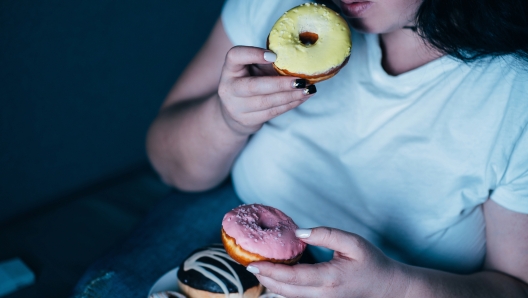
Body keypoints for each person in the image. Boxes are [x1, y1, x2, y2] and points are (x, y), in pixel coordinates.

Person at [73, 0, 528, 297]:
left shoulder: (514, 92)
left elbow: (513, 286)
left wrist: (394, 287)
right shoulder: (276, 7)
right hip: (236, 207)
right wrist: (226, 118)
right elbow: (174, 168)